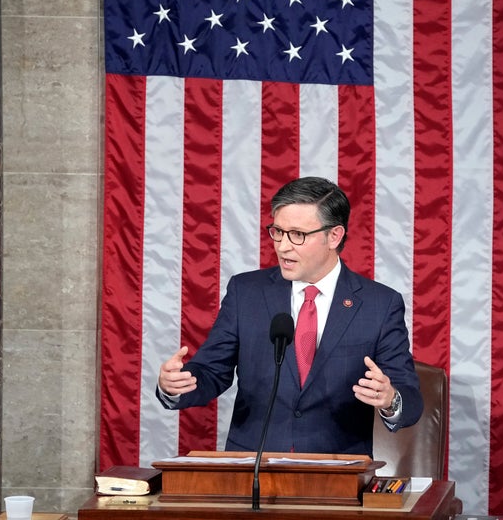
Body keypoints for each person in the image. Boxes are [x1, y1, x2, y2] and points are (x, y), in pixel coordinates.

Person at [156, 176, 423, 455]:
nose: (283, 246)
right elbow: (211, 371)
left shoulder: (379, 304)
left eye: (298, 235)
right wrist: (175, 385)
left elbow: (410, 397)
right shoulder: (246, 292)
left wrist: (390, 399)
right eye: (278, 232)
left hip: (336, 474)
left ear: (334, 236)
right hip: (255, 467)